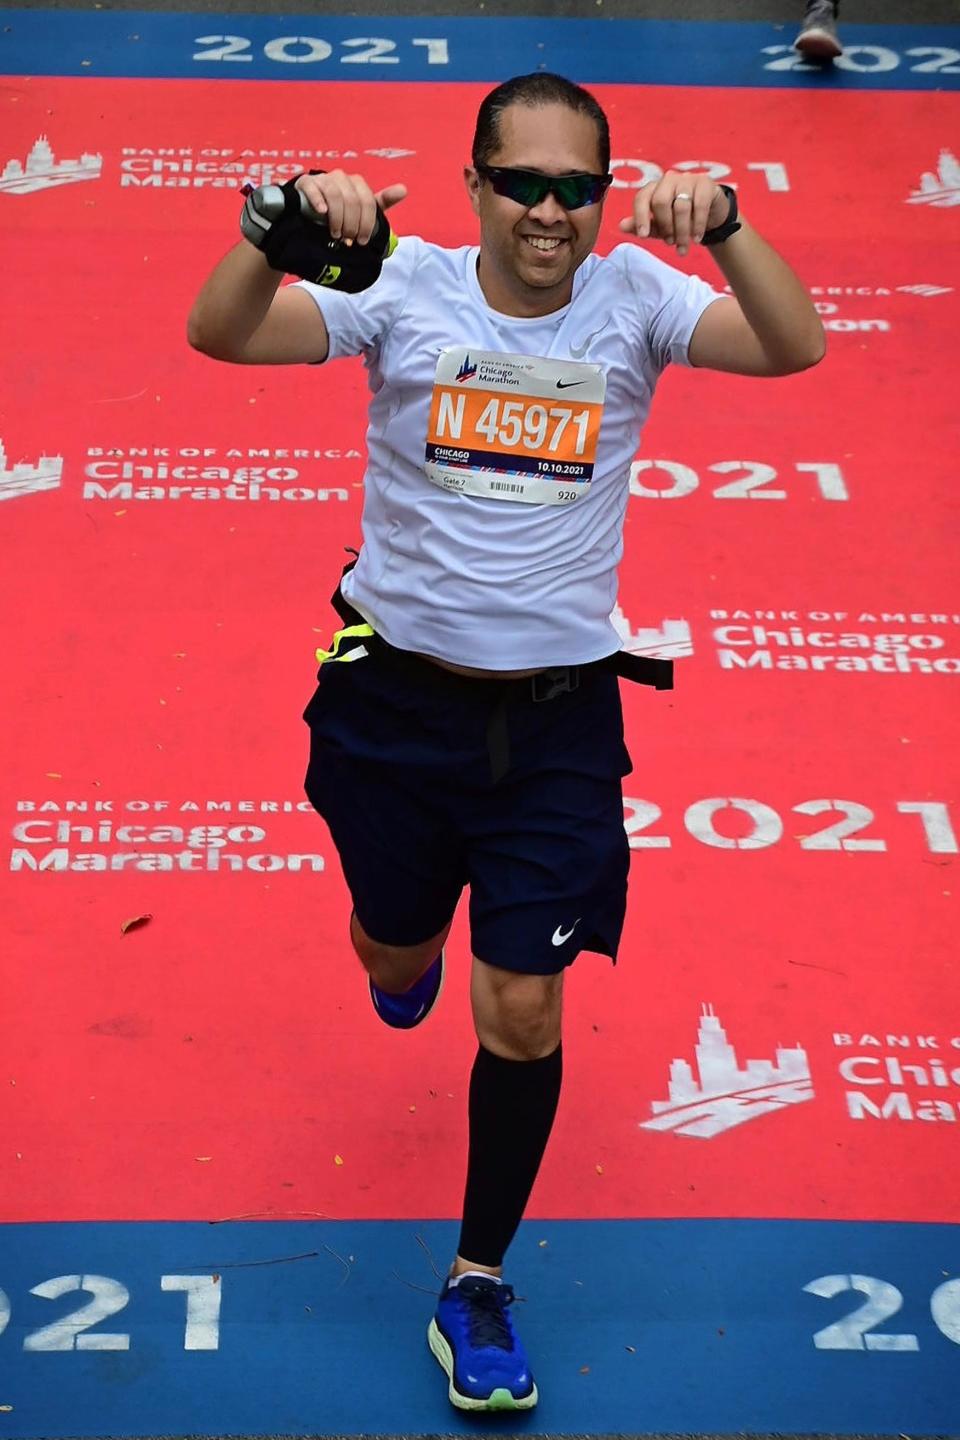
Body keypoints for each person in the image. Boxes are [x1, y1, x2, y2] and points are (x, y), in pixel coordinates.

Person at [187, 72, 825, 1413]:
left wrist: (728, 226)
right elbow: (220, 336)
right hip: (391, 710)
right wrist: (271, 233)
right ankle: (398, 957)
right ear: (473, 183)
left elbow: (793, 346)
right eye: (521, 183)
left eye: (575, 189)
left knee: (523, 1011)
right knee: (393, 947)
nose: (548, 212)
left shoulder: (640, 298)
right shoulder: (402, 285)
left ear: (605, 195)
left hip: (556, 720)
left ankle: (476, 1282)